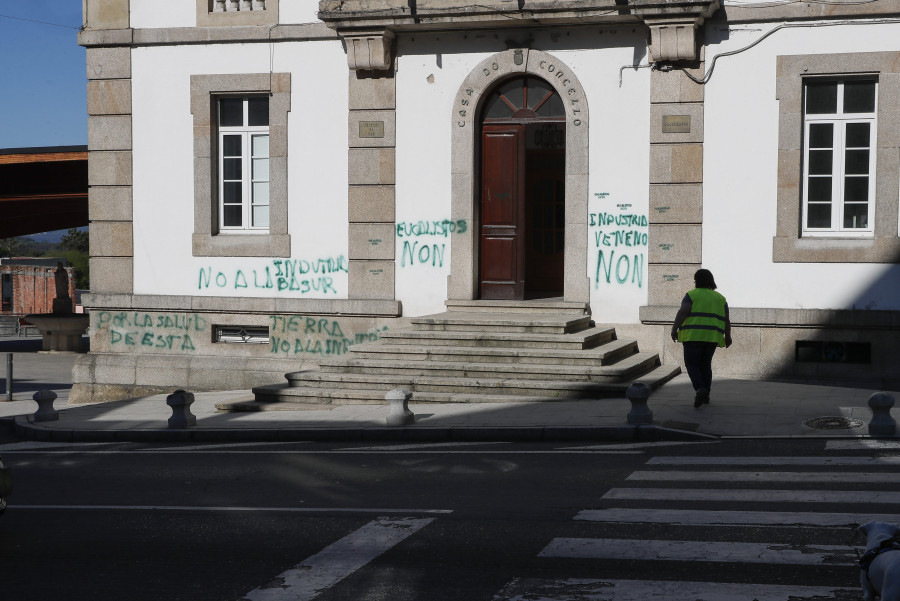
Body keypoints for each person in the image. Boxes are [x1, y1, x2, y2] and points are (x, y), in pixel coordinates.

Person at [670, 269, 732, 408]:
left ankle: (700, 389)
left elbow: (683, 312)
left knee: (692, 364)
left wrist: (674, 329)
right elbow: (727, 320)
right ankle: (706, 395)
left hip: (693, 336)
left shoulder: (691, 295)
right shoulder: (721, 298)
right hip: (712, 337)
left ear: (696, 281)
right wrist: (728, 336)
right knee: (705, 365)